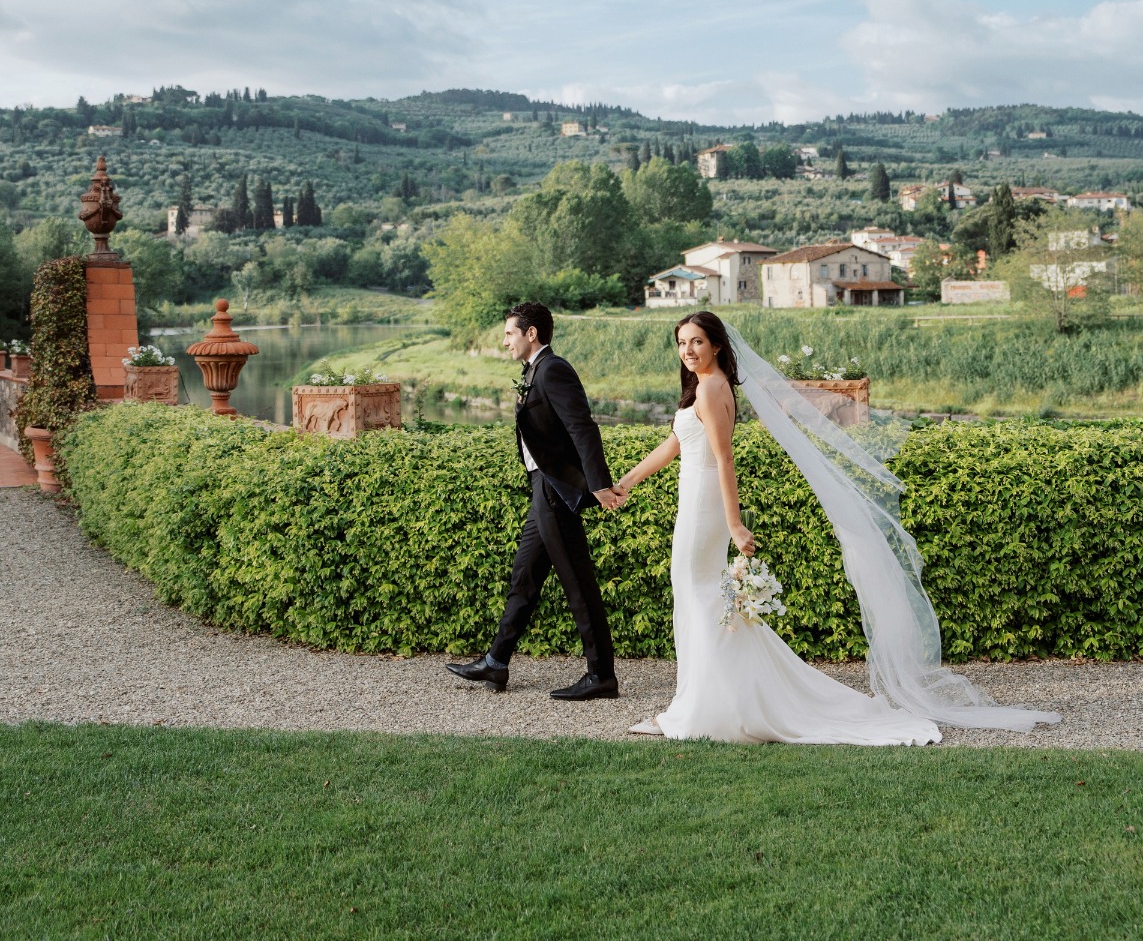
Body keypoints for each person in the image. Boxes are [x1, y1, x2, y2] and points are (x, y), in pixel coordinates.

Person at [615, 311, 1058, 744]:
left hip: (704, 504)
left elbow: (725, 458)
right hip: (696, 499)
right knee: (705, 598)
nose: (687, 350)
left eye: (696, 341)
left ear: (715, 345)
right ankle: (708, 699)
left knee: (698, 596)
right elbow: (676, 442)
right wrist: (627, 481)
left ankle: (695, 707)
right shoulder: (707, 386)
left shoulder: (712, 389)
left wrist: (735, 524)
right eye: (681, 343)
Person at [447, 301, 625, 702]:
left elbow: (582, 427)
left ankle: (601, 675)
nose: (505, 340)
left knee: (578, 583)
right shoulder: (534, 371)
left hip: (555, 490)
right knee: (525, 576)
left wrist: (598, 484)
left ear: (531, 334)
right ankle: (496, 662)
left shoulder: (554, 369)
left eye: (510, 332)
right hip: (541, 487)